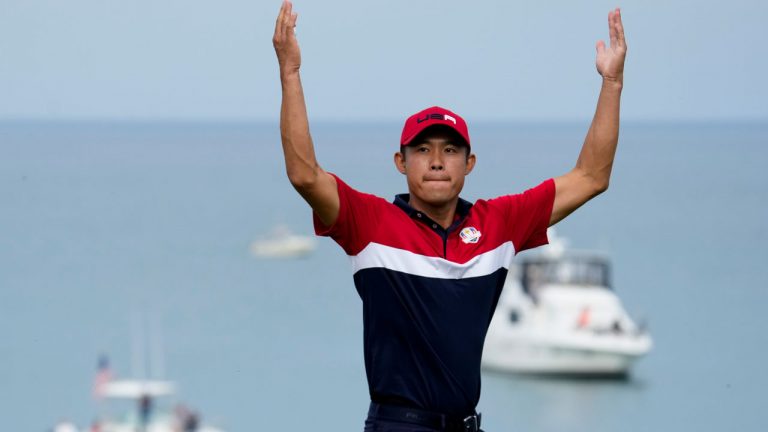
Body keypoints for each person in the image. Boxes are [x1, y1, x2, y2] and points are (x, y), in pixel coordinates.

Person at [272, 2, 627, 431]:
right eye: (423, 150)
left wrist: (612, 81)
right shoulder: (370, 223)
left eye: (450, 150)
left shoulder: (501, 223)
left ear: (470, 163)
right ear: (400, 163)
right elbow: (305, 176)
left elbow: (591, 177)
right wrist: (290, 75)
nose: (437, 161)